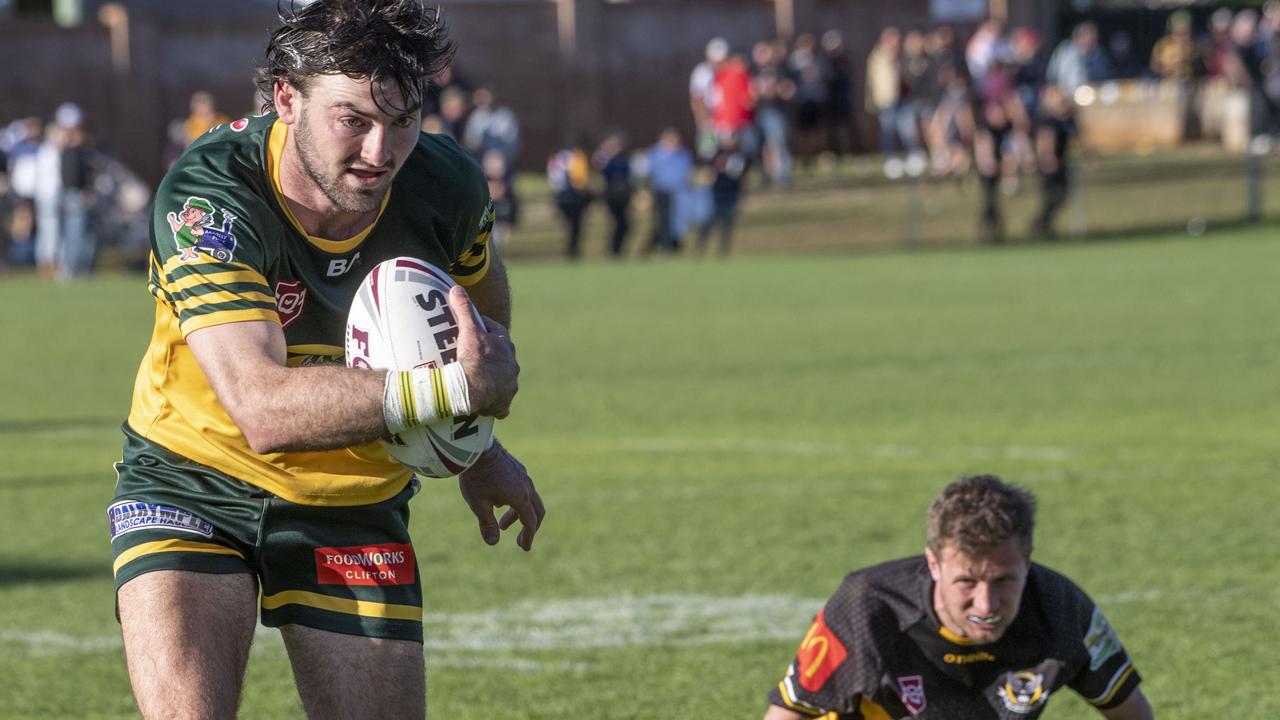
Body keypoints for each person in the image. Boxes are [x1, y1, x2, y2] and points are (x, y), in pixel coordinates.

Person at [107, 2, 545, 718]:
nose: (381, 152)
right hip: (192, 481)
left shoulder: (446, 189)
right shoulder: (211, 198)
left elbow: (480, 314)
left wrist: (474, 445)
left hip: (355, 501)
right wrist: (447, 392)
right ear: (287, 97)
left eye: (403, 121)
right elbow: (260, 407)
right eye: (354, 120)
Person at [763, 475, 1154, 720]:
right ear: (933, 564)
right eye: (966, 581)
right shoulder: (867, 606)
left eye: (1003, 580)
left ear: (1027, 562)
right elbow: (789, 712)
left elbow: (1131, 712)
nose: (986, 605)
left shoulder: (1062, 610)